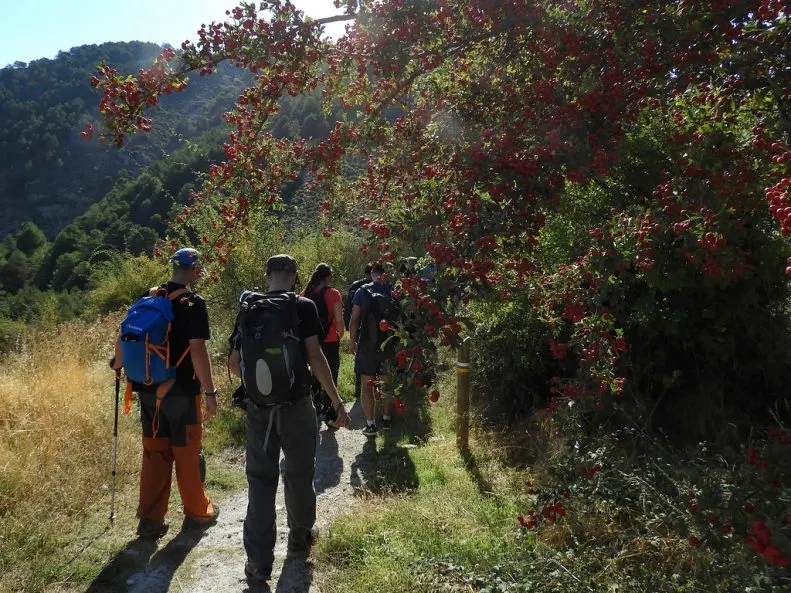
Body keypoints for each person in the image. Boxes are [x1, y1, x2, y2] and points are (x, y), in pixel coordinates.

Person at [228, 254, 350, 584]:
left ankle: (258, 563)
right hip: (297, 406)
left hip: (259, 411)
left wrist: (259, 382)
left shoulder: (248, 307)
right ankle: (299, 541)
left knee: (260, 481)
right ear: (295, 277)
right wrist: (336, 401)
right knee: (298, 474)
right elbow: (315, 356)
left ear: (266, 275)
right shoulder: (304, 306)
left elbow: (233, 361)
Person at [111, 247, 220, 540]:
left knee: (155, 452)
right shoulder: (193, 303)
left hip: (146, 390)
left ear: (174, 267)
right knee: (186, 452)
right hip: (182, 392)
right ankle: (198, 512)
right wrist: (210, 392)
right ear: (196, 269)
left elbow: (123, 336)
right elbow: (197, 350)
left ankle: (150, 521)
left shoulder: (149, 297)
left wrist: (118, 366)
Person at [349, 261, 396, 436]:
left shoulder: (362, 291)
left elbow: (354, 320)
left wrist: (353, 341)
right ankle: (386, 420)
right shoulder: (393, 291)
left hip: (367, 344)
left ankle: (370, 425)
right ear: (386, 273)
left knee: (367, 384)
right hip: (388, 343)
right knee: (385, 382)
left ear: (372, 273)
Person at [302, 263, 344, 427]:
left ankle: (314, 407)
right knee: (330, 374)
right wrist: (340, 334)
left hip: (310, 341)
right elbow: (339, 319)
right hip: (330, 340)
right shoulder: (333, 294)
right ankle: (331, 413)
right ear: (327, 278)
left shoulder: (305, 293)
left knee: (314, 374)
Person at [344, 263, 372, 400]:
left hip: (358, 325)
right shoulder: (379, 285)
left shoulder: (356, 286)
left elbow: (349, 308)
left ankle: (359, 387)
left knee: (359, 356)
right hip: (374, 328)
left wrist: (350, 334)